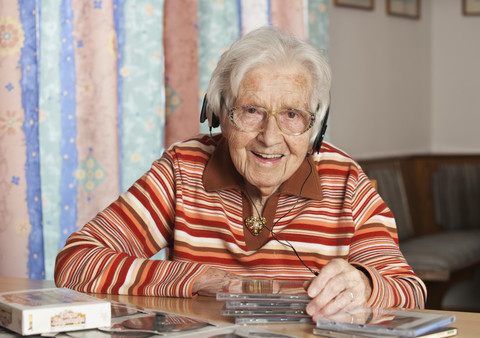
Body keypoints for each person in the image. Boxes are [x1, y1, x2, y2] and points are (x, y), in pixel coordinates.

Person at [55, 26, 426, 321]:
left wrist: (363, 284)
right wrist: (196, 278)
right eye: (251, 111)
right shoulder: (181, 169)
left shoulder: (347, 182)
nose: (270, 137)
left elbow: (409, 291)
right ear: (220, 114)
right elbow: (75, 261)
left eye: (292, 115)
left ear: (316, 128)